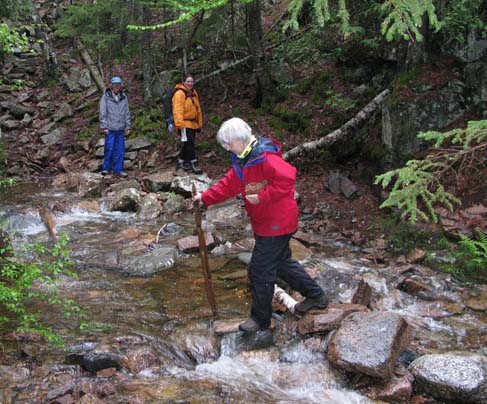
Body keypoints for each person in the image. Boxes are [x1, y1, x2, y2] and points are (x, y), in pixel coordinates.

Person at [193, 117, 328, 332]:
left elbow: (288, 178)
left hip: (277, 223)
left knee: (260, 270)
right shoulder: (242, 158)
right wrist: (205, 198)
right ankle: (316, 296)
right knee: (282, 262)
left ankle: (260, 320)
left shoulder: (264, 157)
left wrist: (263, 197)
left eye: (228, 144)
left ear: (240, 140)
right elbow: (229, 185)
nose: (227, 148)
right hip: (269, 223)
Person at [99, 76, 131, 177]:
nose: (117, 86)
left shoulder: (124, 97)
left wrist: (128, 126)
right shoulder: (106, 96)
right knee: (109, 148)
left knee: (120, 149)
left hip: (120, 128)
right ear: (112, 85)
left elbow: (127, 112)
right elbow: (103, 111)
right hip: (110, 128)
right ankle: (106, 168)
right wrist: (104, 126)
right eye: (115, 84)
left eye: (118, 84)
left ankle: (119, 169)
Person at [173, 74, 203, 175]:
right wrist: (179, 124)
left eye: (191, 82)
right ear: (184, 82)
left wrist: (199, 123)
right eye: (188, 81)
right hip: (184, 123)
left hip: (192, 123)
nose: (190, 83)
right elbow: (178, 109)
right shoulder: (180, 93)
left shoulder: (193, 93)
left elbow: (198, 109)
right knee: (190, 143)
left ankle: (181, 161)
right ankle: (193, 162)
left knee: (188, 144)